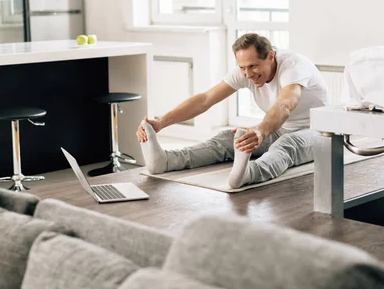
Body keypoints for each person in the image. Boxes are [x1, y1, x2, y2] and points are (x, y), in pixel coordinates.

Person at [136, 33, 329, 188]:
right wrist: (161, 122)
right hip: (282, 126)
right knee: (227, 138)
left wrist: (260, 132)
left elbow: (285, 104)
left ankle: (250, 172)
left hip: (319, 131)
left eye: (253, 66)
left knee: (286, 144)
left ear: (270, 56)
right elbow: (205, 100)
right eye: (243, 68)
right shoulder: (245, 71)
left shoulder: (293, 65)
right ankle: (167, 161)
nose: (248, 74)